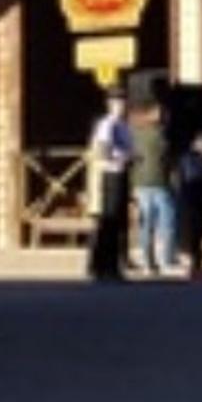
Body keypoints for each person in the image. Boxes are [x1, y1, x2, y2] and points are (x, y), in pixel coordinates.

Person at [86, 85, 134, 282]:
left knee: (120, 222)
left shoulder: (124, 125)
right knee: (109, 221)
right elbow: (103, 149)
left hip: (123, 172)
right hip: (110, 172)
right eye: (117, 102)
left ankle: (114, 264)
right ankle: (102, 266)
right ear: (110, 104)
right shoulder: (107, 124)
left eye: (123, 101)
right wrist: (121, 156)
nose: (120, 105)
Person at [131, 100, 178, 277]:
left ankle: (149, 259)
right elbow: (169, 157)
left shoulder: (135, 134)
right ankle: (166, 257)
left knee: (147, 223)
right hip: (159, 182)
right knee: (167, 221)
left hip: (142, 183)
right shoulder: (162, 135)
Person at [175, 132, 202, 281]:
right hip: (192, 199)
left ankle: (199, 266)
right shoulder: (190, 157)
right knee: (194, 233)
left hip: (198, 199)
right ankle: (195, 267)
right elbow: (196, 177)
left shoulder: (196, 158)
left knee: (200, 233)